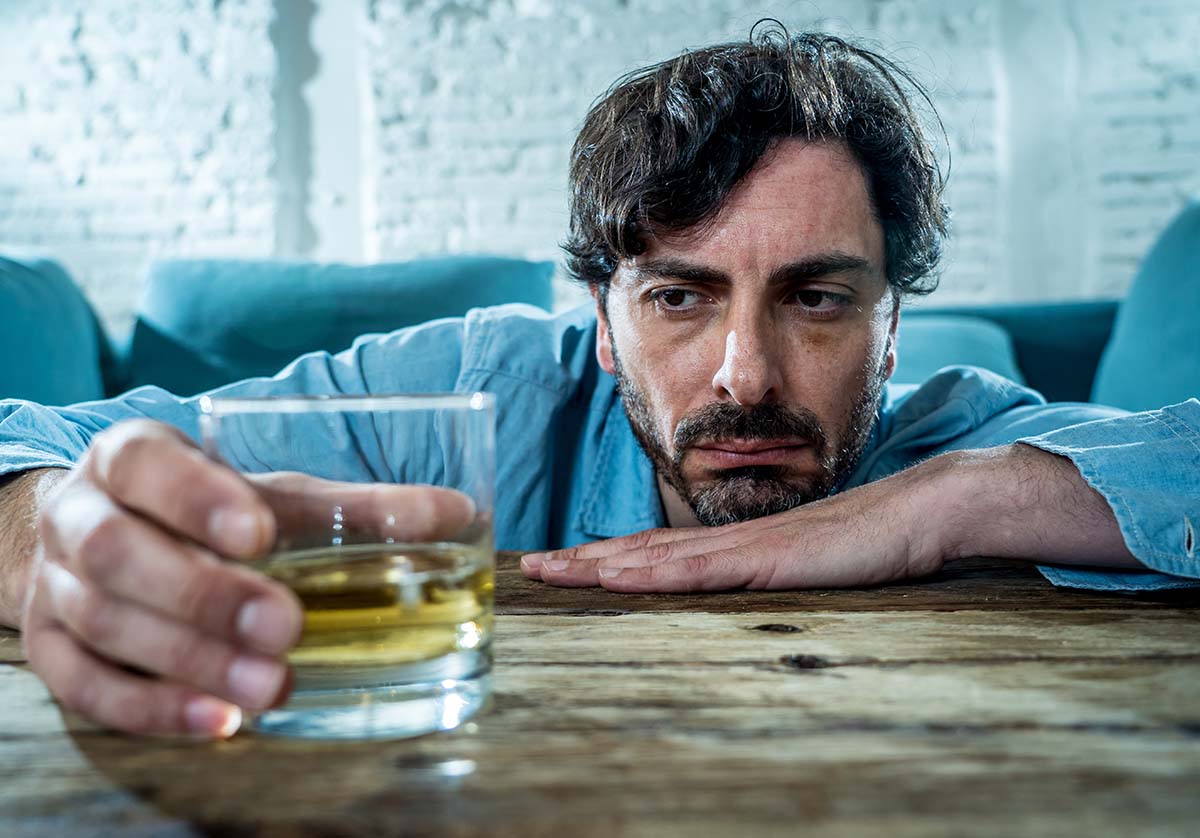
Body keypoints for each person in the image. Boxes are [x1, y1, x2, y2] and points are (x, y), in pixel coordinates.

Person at [1, 28, 1196, 738]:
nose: (746, 372)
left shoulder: (962, 440)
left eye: (818, 298)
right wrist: (57, 529)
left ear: (891, 331)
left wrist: (946, 505)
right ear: (605, 327)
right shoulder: (475, 394)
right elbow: (39, 438)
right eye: (680, 296)